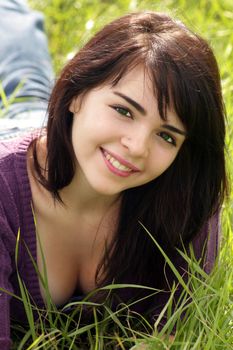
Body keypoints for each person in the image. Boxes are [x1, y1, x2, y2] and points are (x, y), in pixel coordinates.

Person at [0, 1, 227, 349]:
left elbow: (166, 335)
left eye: (166, 135)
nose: (137, 146)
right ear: (76, 93)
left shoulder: (183, 200)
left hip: (79, 141)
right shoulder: (3, 191)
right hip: (28, 140)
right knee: (23, 79)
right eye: (123, 110)